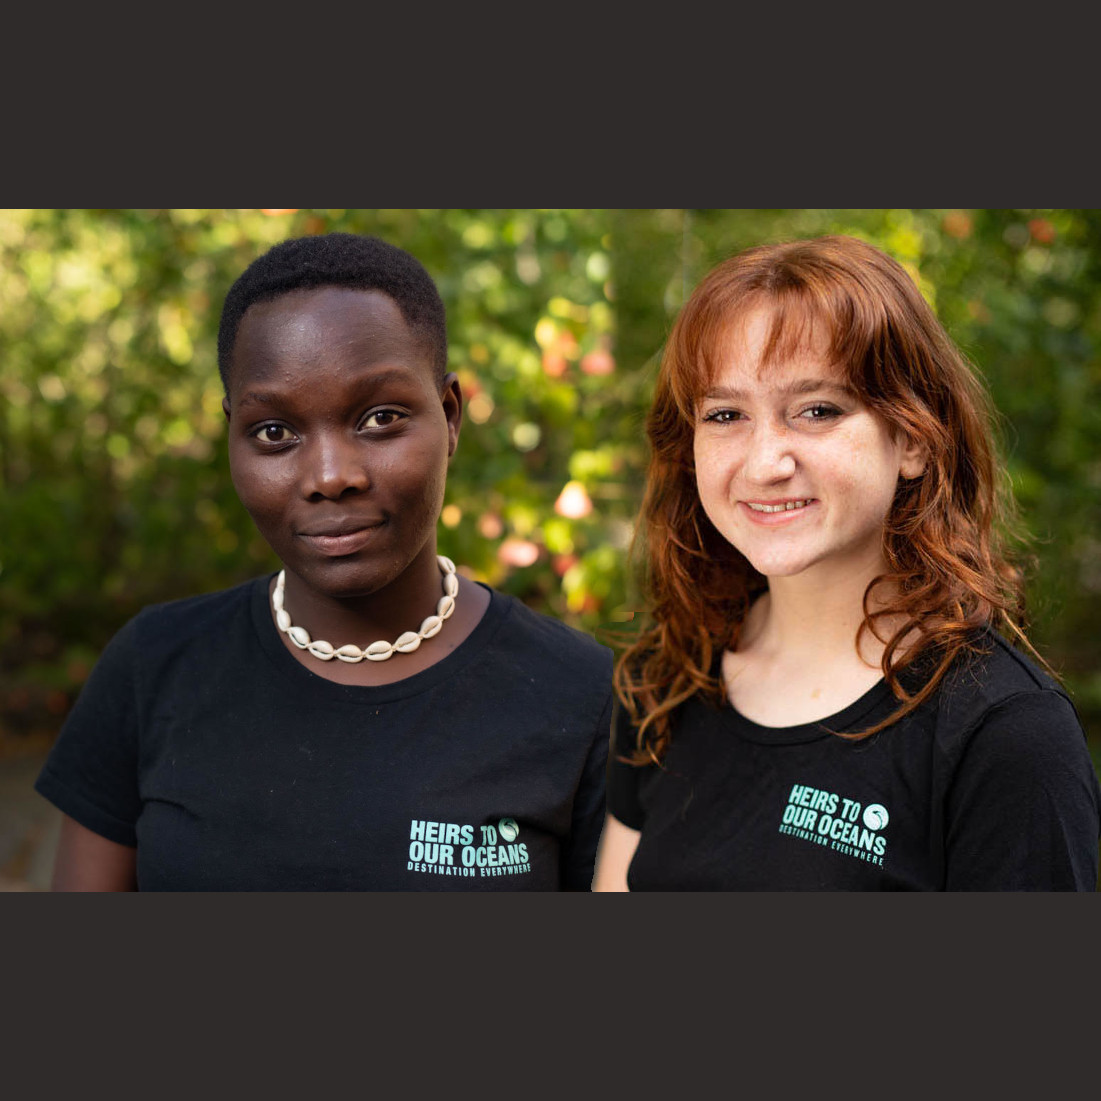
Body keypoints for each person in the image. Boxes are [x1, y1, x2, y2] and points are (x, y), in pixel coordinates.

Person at [35, 232, 612, 891]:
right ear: (232, 438)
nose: (331, 475)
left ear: (450, 416)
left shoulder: (580, 694)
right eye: (274, 432)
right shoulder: (153, 667)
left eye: (379, 417)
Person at [592, 234, 1101, 891]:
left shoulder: (1003, 733)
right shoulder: (664, 683)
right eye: (724, 414)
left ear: (913, 439)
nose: (764, 461)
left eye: (816, 410)